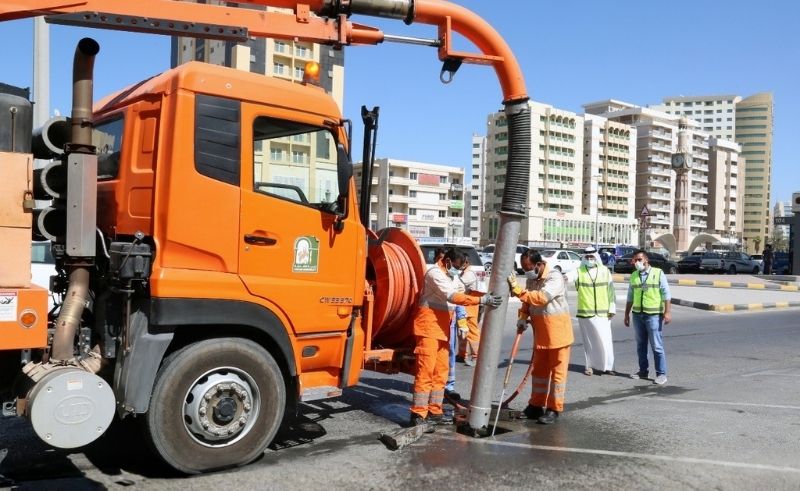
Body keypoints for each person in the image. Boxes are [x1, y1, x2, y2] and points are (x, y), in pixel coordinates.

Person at [410, 248, 502, 428]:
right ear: (447, 261)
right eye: (457, 267)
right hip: (428, 329)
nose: (458, 270)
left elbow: (465, 291)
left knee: (440, 372)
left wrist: (485, 294)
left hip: (442, 330)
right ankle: (418, 414)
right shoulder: (434, 274)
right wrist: (482, 301)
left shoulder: (452, 277)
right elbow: (453, 296)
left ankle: (435, 411)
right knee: (425, 372)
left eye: (461, 268)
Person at [507, 249, 573, 425]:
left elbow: (541, 298)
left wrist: (518, 291)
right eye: (523, 268)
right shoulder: (531, 279)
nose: (526, 271)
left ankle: (554, 409)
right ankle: (536, 405)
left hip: (558, 334)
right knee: (539, 374)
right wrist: (522, 317)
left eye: (528, 267)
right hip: (541, 335)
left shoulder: (554, 277)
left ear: (538, 264)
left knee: (557, 375)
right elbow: (527, 302)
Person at [624, 250, 671, 385]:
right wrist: (626, 314)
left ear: (646, 260)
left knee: (657, 345)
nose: (637, 262)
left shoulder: (657, 273)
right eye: (635, 260)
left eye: (639, 259)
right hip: (638, 315)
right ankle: (643, 371)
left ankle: (661, 374)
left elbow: (666, 294)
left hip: (654, 315)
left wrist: (667, 312)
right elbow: (630, 297)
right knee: (641, 345)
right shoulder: (634, 276)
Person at [572, 246, 616, 376]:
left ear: (596, 257)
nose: (590, 259)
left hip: (603, 313)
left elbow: (611, 291)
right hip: (586, 313)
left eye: (592, 257)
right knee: (589, 342)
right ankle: (589, 366)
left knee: (606, 340)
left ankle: (608, 366)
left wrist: (612, 308)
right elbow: (568, 277)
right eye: (587, 257)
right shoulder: (579, 271)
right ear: (584, 258)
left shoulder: (604, 271)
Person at [456, 261, 482, 367]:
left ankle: (477, 356)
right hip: (465, 305)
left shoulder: (469, 273)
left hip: (470, 306)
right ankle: (462, 354)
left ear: (466, 262)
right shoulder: (465, 272)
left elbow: (459, 285)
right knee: (462, 333)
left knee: (472, 332)